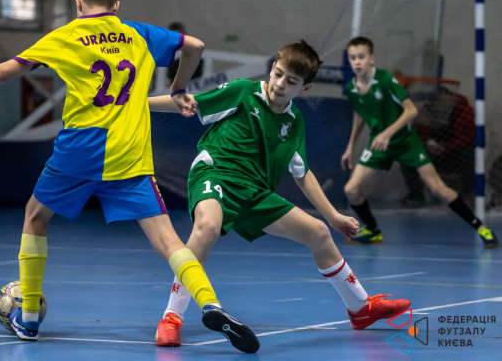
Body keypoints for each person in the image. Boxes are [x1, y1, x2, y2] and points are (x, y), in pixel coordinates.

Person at [0, 0, 259, 353]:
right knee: (169, 240)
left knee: (35, 217)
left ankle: (30, 317)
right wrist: (178, 87)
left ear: (77, 3)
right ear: (116, 5)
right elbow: (196, 46)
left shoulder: (66, 36)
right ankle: (210, 303)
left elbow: (4, 72)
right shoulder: (138, 33)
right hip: (129, 153)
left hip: (80, 151)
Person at [148, 40, 411, 347]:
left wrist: (333, 216)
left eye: (291, 81)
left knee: (319, 233)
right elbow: (187, 102)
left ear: (305, 89)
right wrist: (135, 103)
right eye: (278, 74)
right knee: (207, 228)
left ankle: (360, 308)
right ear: (272, 69)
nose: (280, 84)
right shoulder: (243, 91)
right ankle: (171, 318)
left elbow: (302, 173)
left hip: (255, 190)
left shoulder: (294, 122)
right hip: (215, 172)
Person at [340, 37, 498, 248]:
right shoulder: (351, 88)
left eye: (361, 56)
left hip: (405, 141)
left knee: (437, 187)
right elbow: (360, 114)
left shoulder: (385, 79)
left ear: (371, 58)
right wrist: (350, 146)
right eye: (352, 58)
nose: (357, 61)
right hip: (379, 144)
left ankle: (482, 228)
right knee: (351, 189)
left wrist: (387, 133)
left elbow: (411, 110)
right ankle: (373, 230)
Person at [400, 86, 475, 207]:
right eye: (438, 100)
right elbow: (417, 136)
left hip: (458, 154)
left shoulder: (463, 110)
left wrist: (446, 147)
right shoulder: (426, 111)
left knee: (470, 153)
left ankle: (467, 195)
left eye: (445, 99)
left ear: (450, 97)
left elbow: (467, 137)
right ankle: (416, 195)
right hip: (435, 154)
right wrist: (427, 145)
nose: (442, 103)